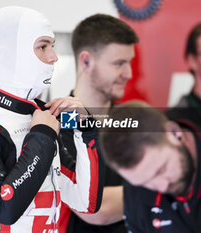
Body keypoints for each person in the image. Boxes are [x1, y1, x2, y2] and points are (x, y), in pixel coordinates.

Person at [0, 6, 103, 232]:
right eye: (42, 46)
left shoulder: (44, 113)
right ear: (7, 53)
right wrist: (43, 136)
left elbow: (86, 202)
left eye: (53, 47)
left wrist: (86, 129)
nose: (54, 57)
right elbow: (4, 208)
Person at [99, 100, 201, 233]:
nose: (161, 186)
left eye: (161, 169)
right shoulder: (135, 193)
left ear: (174, 133)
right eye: (144, 182)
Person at [57, 14, 139, 233]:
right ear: (86, 61)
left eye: (129, 62)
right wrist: (156, 190)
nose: (128, 74)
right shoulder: (57, 125)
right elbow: (94, 208)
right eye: (119, 63)